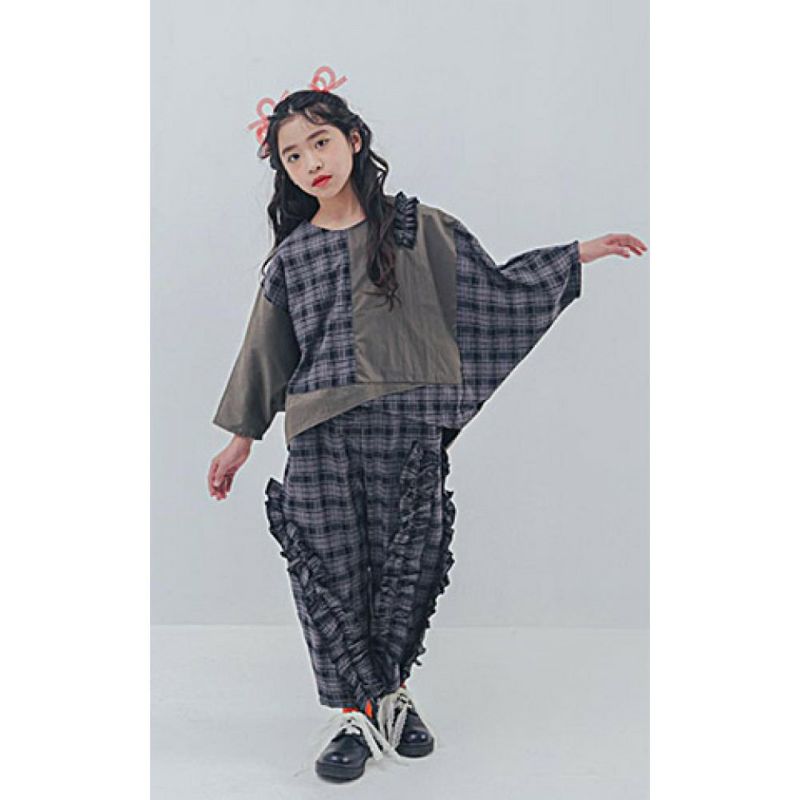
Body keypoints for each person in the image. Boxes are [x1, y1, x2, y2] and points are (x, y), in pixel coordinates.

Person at [206, 88, 646, 782]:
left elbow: (494, 289)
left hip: (406, 428)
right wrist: (240, 438)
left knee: (403, 568)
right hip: (319, 434)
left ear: (353, 140)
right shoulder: (292, 257)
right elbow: (266, 349)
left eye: (320, 142)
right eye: (291, 155)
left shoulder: (419, 228)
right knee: (329, 572)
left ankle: (392, 697)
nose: (310, 162)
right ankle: (355, 714)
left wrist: (574, 257)